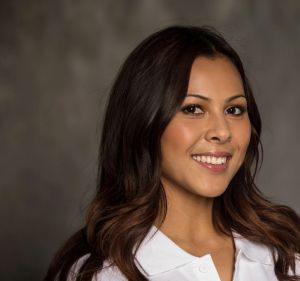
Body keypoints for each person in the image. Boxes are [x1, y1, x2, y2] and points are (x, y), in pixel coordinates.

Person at [44, 26, 300, 281]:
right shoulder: (98, 274)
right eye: (193, 109)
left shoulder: (288, 251)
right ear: (144, 120)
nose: (222, 132)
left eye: (234, 110)